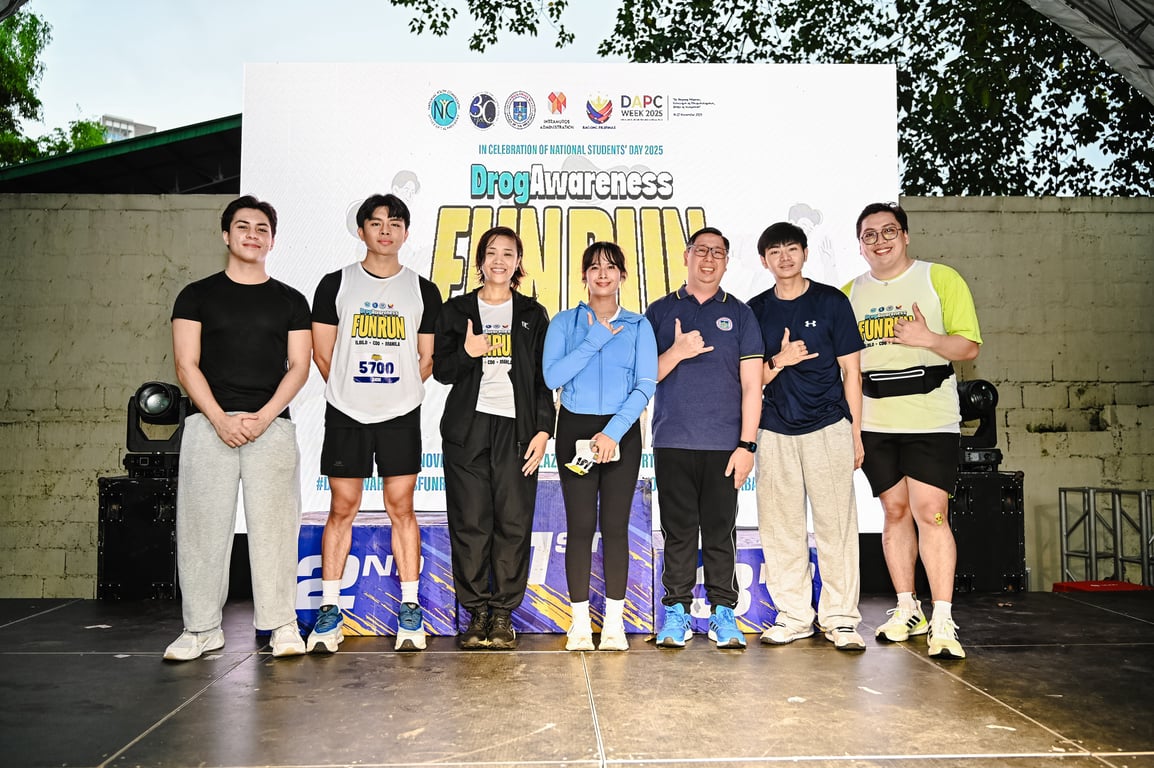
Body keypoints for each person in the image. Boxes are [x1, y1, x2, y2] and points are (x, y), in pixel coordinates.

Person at [164, 196, 311, 661]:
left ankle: (281, 624)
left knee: (275, 530)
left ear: (272, 239)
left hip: (272, 428)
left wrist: (264, 417)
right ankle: (202, 628)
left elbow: (300, 366)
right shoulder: (196, 295)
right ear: (226, 234)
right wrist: (219, 418)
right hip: (209, 427)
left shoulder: (291, 300)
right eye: (243, 226)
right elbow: (186, 366)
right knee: (202, 530)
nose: (253, 234)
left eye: (262, 228)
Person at [843, 202, 982, 660]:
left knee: (932, 512)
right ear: (860, 244)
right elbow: (845, 368)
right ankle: (908, 608)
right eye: (869, 235)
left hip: (930, 418)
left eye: (888, 231)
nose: (880, 241)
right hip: (875, 421)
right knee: (895, 512)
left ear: (905, 236)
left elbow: (968, 345)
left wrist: (930, 340)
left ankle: (942, 617)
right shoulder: (848, 294)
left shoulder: (940, 279)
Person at [305, 193, 443, 654]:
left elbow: (426, 358)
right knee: (342, 508)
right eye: (376, 223)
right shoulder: (335, 284)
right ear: (361, 230)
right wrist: (354, 392)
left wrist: (394, 392)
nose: (386, 231)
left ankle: (409, 609)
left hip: (400, 413)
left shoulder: (423, 290)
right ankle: (329, 612)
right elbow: (322, 354)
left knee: (401, 507)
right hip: (347, 412)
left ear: (406, 232)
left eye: (395, 223)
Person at [433, 226, 554, 650]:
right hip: (468, 429)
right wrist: (468, 352)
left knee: (513, 522)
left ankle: (503, 615)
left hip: (517, 431)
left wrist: (543, 430)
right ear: (480, 261)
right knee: (470, 522)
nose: (499, 260)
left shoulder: (534, 314)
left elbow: (543, 379)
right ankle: (476, 613)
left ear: (518, 262)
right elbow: (442, 371)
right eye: (491, 253)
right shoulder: (456, 311)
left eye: (508, 253)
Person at [747, 222, 866, 652]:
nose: (784, 258)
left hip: (828, 426)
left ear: (805, 253)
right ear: (764, 261)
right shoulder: (755, 309)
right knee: (781, 528)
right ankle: (794, 616)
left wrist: (854, 431)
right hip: (775, 428)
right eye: (774, 251)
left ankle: (840, 619)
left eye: (791, 249)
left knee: (837, 526)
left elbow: (852, 371)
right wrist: (780, 360)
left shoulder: (832, 301)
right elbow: (749, 379)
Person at [644, 227, 763, 650]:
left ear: (727, 261)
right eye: (701, 251)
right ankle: (674, 611)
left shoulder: (742, 315)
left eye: (718, 252)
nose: (709, 259)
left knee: (719, 531)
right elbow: (643, 379)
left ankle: (722, 614)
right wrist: (676, 351)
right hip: (673, 439)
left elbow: (753, 386)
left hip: (724, 445)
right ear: (686, 256)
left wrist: (747, 445)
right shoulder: (659, 312)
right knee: (678, 531)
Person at [543, 241, 658, 652]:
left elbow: (646, 384)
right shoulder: (564, 323)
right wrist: (593, 339)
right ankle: (578, 625)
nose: (602, 274)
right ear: (584, 276)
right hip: (574, 426)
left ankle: (613, 625)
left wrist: (613, 432)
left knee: (614, 528)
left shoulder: (640, 326)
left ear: (623, 276)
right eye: (594, 267)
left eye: (611, 267)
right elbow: (552, 375)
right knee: (579, 528)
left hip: (621, 429)